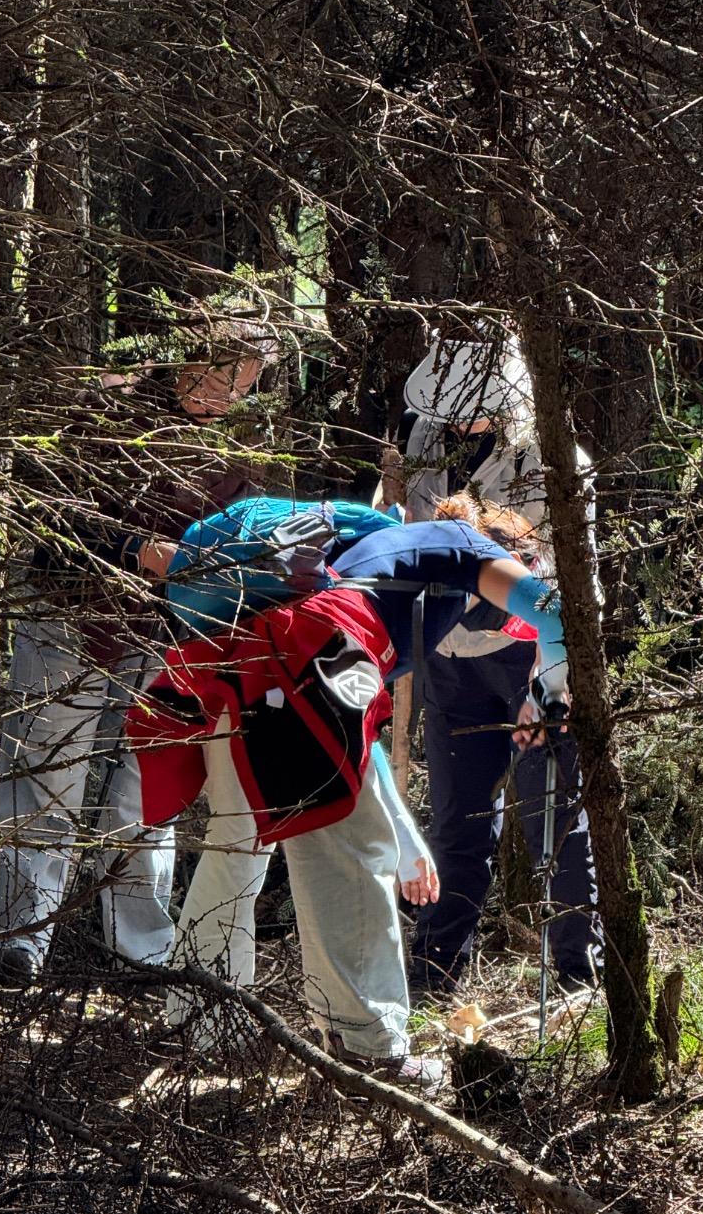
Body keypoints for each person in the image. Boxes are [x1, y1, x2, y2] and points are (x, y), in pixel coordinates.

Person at [126, 516, 572, 1091]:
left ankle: (201, 1022)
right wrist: (550, 691)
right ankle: (370, 1051)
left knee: (236, 847)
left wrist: (406, 840)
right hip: (307, 664)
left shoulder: (375, 558)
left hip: (246, 665)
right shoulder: (466, 544)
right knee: (351, 855)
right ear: (514, 553)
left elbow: (358, 736)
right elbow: (552, 612)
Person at [0, 309, 276, 985]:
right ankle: (19, 940)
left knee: (146, 789)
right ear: (184, 358)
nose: (224, 394)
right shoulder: (107, 408)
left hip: (162, 631)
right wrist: (135, 549)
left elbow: (242, 533)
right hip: (66, 611)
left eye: (243, 383)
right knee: (43, 774)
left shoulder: (242, 444)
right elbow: (50, 510)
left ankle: (140, 950)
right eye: (217, 375)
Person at [383, 330, 605, 996]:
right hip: (447, 656)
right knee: (457, 819)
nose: (458, 422)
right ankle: (437, 972)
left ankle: (577, 977)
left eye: (471, 409)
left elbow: (574, 584)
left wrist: (551, 689)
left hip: (529, 657)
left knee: (555, 822)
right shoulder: (422, 443)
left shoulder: (555, 461)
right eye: (447, 408)